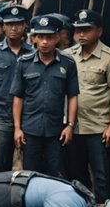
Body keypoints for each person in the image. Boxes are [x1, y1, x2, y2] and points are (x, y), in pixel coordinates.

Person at [67, 9, 110, 203]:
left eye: (87, 30)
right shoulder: (67, 56)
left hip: (98, 127)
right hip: (73, 127)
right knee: (76, 176)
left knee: (101, 177)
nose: (81, 34)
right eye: (78, 30)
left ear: (99, 31)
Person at [12, 15, 79, 178]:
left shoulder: (67, 63)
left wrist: (70, 125)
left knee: (57, 174)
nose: (44, 42)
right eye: (40, 37)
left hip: (57, 131)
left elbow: (72, 96)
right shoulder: (24, 63)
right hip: (30, 130)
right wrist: (17, 128)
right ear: (34, 38)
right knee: (30, 174)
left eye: (49, 37)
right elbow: (18, 97)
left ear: (57, 38)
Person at [0, 5, 33, 173]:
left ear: (25, 26)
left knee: (28, 165)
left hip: (28, 116)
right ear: (4, 27)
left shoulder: (33, 53)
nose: (13, 28)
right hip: (0, 114)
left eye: (18, 24)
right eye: (9, 24)